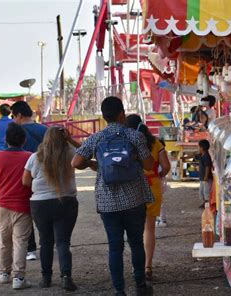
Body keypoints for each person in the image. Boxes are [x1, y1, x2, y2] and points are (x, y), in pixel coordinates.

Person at [72, 96, 155, 296]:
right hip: (134, 198)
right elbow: (150, 165)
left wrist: (94, 164)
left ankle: (119, 291)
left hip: (108, 202)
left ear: (103, 116)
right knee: (136, 243)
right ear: (122, 114)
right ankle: (141, 286)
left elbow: (76, 162)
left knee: (114, 247)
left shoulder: (96, 138)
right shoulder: (134, 137)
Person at [22, 127, 79, 291]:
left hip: (40, 204)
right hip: (66, 202)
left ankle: (46, 278)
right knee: (63, 242)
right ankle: (66, 277)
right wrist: (71, 140)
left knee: (45, 242)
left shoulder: (35, 157)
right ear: (64, 138)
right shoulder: (71, 153)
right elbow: (87, 152)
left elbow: (25, 181)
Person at [0, 123, 33, 290]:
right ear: (24, 140)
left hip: (2, 204)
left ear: (6, 140)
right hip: (23, 205)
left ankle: (3, 274)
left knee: (4, 240)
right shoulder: (30, 157)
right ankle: (19, 277)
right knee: (20, 242)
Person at [126, 115, 170, 281]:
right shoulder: (156, 143)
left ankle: (136, 265)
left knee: (134, 230)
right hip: (153, 187)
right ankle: (147, 266)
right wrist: (158, 175)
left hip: (133, 188)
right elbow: (166, 166)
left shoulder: (128, 143)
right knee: (149, 229)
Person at [10, 101, 46, 261]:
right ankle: (47, 244)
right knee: (44, 213)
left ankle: (31, 249)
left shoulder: (16, 131)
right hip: (45, 176)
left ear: (19, 115)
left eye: (13, 116)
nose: (12, 119)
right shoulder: (45, 130)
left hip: (25, 176)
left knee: (25, 213)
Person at [198, 139, 213, 209]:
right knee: (202, 192)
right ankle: (204, 203)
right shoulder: (202, 155)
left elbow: (208, 166)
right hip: (202, 177)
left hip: (205, 178)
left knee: (206, 192)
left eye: (199, 147)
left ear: (202, 148)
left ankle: (207, 205)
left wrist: (206, 176)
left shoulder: (206, 156)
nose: (198, 148)